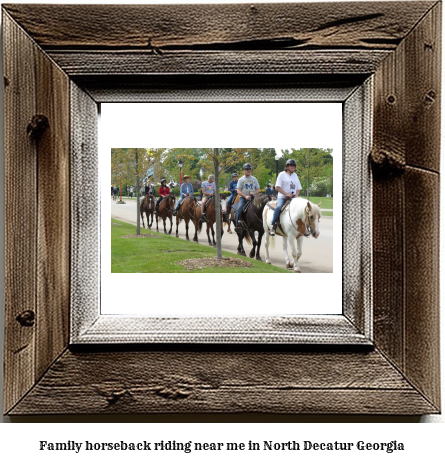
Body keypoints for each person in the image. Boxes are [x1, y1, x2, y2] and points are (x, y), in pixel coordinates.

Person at [269, 158, 302, 236]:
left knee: (303, 209)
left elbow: (298, 188)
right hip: (283, 197)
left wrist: (297, 194)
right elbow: (277, 187)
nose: (292, 167)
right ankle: (273, 226)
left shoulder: (295, 175)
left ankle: (305, 227)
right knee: (278, 207)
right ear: (287, 166)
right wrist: (286, 194)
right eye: (291, 165)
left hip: (294, 197)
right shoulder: (282, 174)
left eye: (294, 165)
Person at [234, 163, 260, 231]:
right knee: (239, 208)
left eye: (249, 169)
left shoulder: (254, 179)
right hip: (243, 198)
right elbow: (238, 191)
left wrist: (254, 193)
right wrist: (245, 196)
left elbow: (258, 189)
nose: (248, 170)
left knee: (261, 207)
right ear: (244, 170)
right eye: (247, 169)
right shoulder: (241, 179)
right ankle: (238, 224)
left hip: (253, 197)